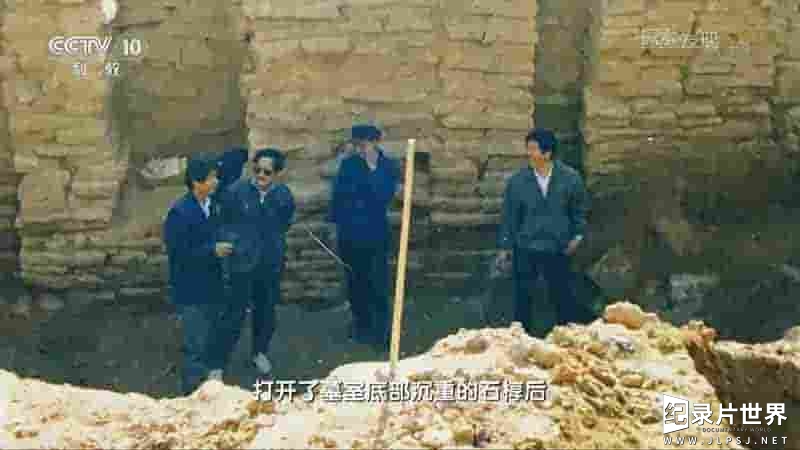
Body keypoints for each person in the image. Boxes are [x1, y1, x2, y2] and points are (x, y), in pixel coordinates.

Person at [497, 128, 590, 334]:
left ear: (547, 153)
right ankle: (522, 338)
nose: (528, 153)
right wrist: (505, 247)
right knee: (523, 299)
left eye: (533, 149)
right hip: (526, 248)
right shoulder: (518, 181)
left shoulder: (570, 178)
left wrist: (577, 236)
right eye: (528, 148)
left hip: (558, 247)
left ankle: (566, 338)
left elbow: (580, 210)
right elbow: (509, 216)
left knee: (562, 296)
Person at [214, 148, 295, 376]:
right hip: (241, 264)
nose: (260, 175)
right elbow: (223, 223)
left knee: (266, 311)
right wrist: (236, 245)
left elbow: (284, 224)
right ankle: (218, 363)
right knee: (233, 313)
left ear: (277, 174)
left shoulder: (283, 196)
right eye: (257, 170)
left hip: (269, 264)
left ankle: (259, 352)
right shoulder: (235, 192)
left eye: (267, 172)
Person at [162, 157, 232, 394]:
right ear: (196, 182)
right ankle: (192, 393)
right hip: (191, 290)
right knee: (195, 343)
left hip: (213, 285)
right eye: (211, 178)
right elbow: (178, 253)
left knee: (212, 334)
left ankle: (210, 385)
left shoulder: (212, 206)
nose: (216, 181)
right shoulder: (180, 213)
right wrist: (212, 251)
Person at [328, 124, 399, 349]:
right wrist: (335, 227)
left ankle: (381, 334)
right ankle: (361, 327)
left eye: (364, 144)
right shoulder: (348, 165)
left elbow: (383, 195)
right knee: (355, 284)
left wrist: (372, 167)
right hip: (350, 234)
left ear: (376, 143)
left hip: (375, 235)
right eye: (356, 145)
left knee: (378, 284)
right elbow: (338, 198)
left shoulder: (387, 166)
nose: (359, 149)